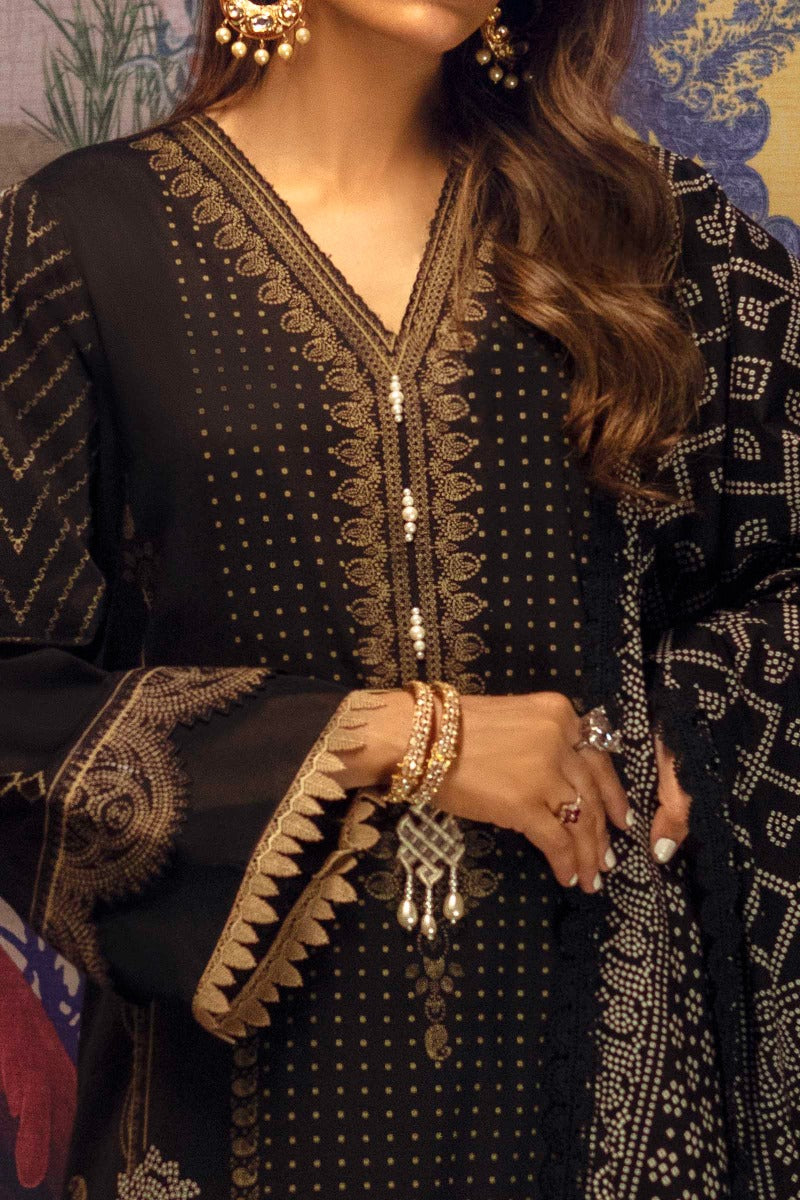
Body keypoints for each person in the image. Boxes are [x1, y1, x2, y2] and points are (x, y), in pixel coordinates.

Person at [0, 0, 798, 1195]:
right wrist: (391, 734)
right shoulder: (80, 246)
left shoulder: (645, 237)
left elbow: (777, 578)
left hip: (599, 1081)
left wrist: (690, 724)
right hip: (241, 1119)